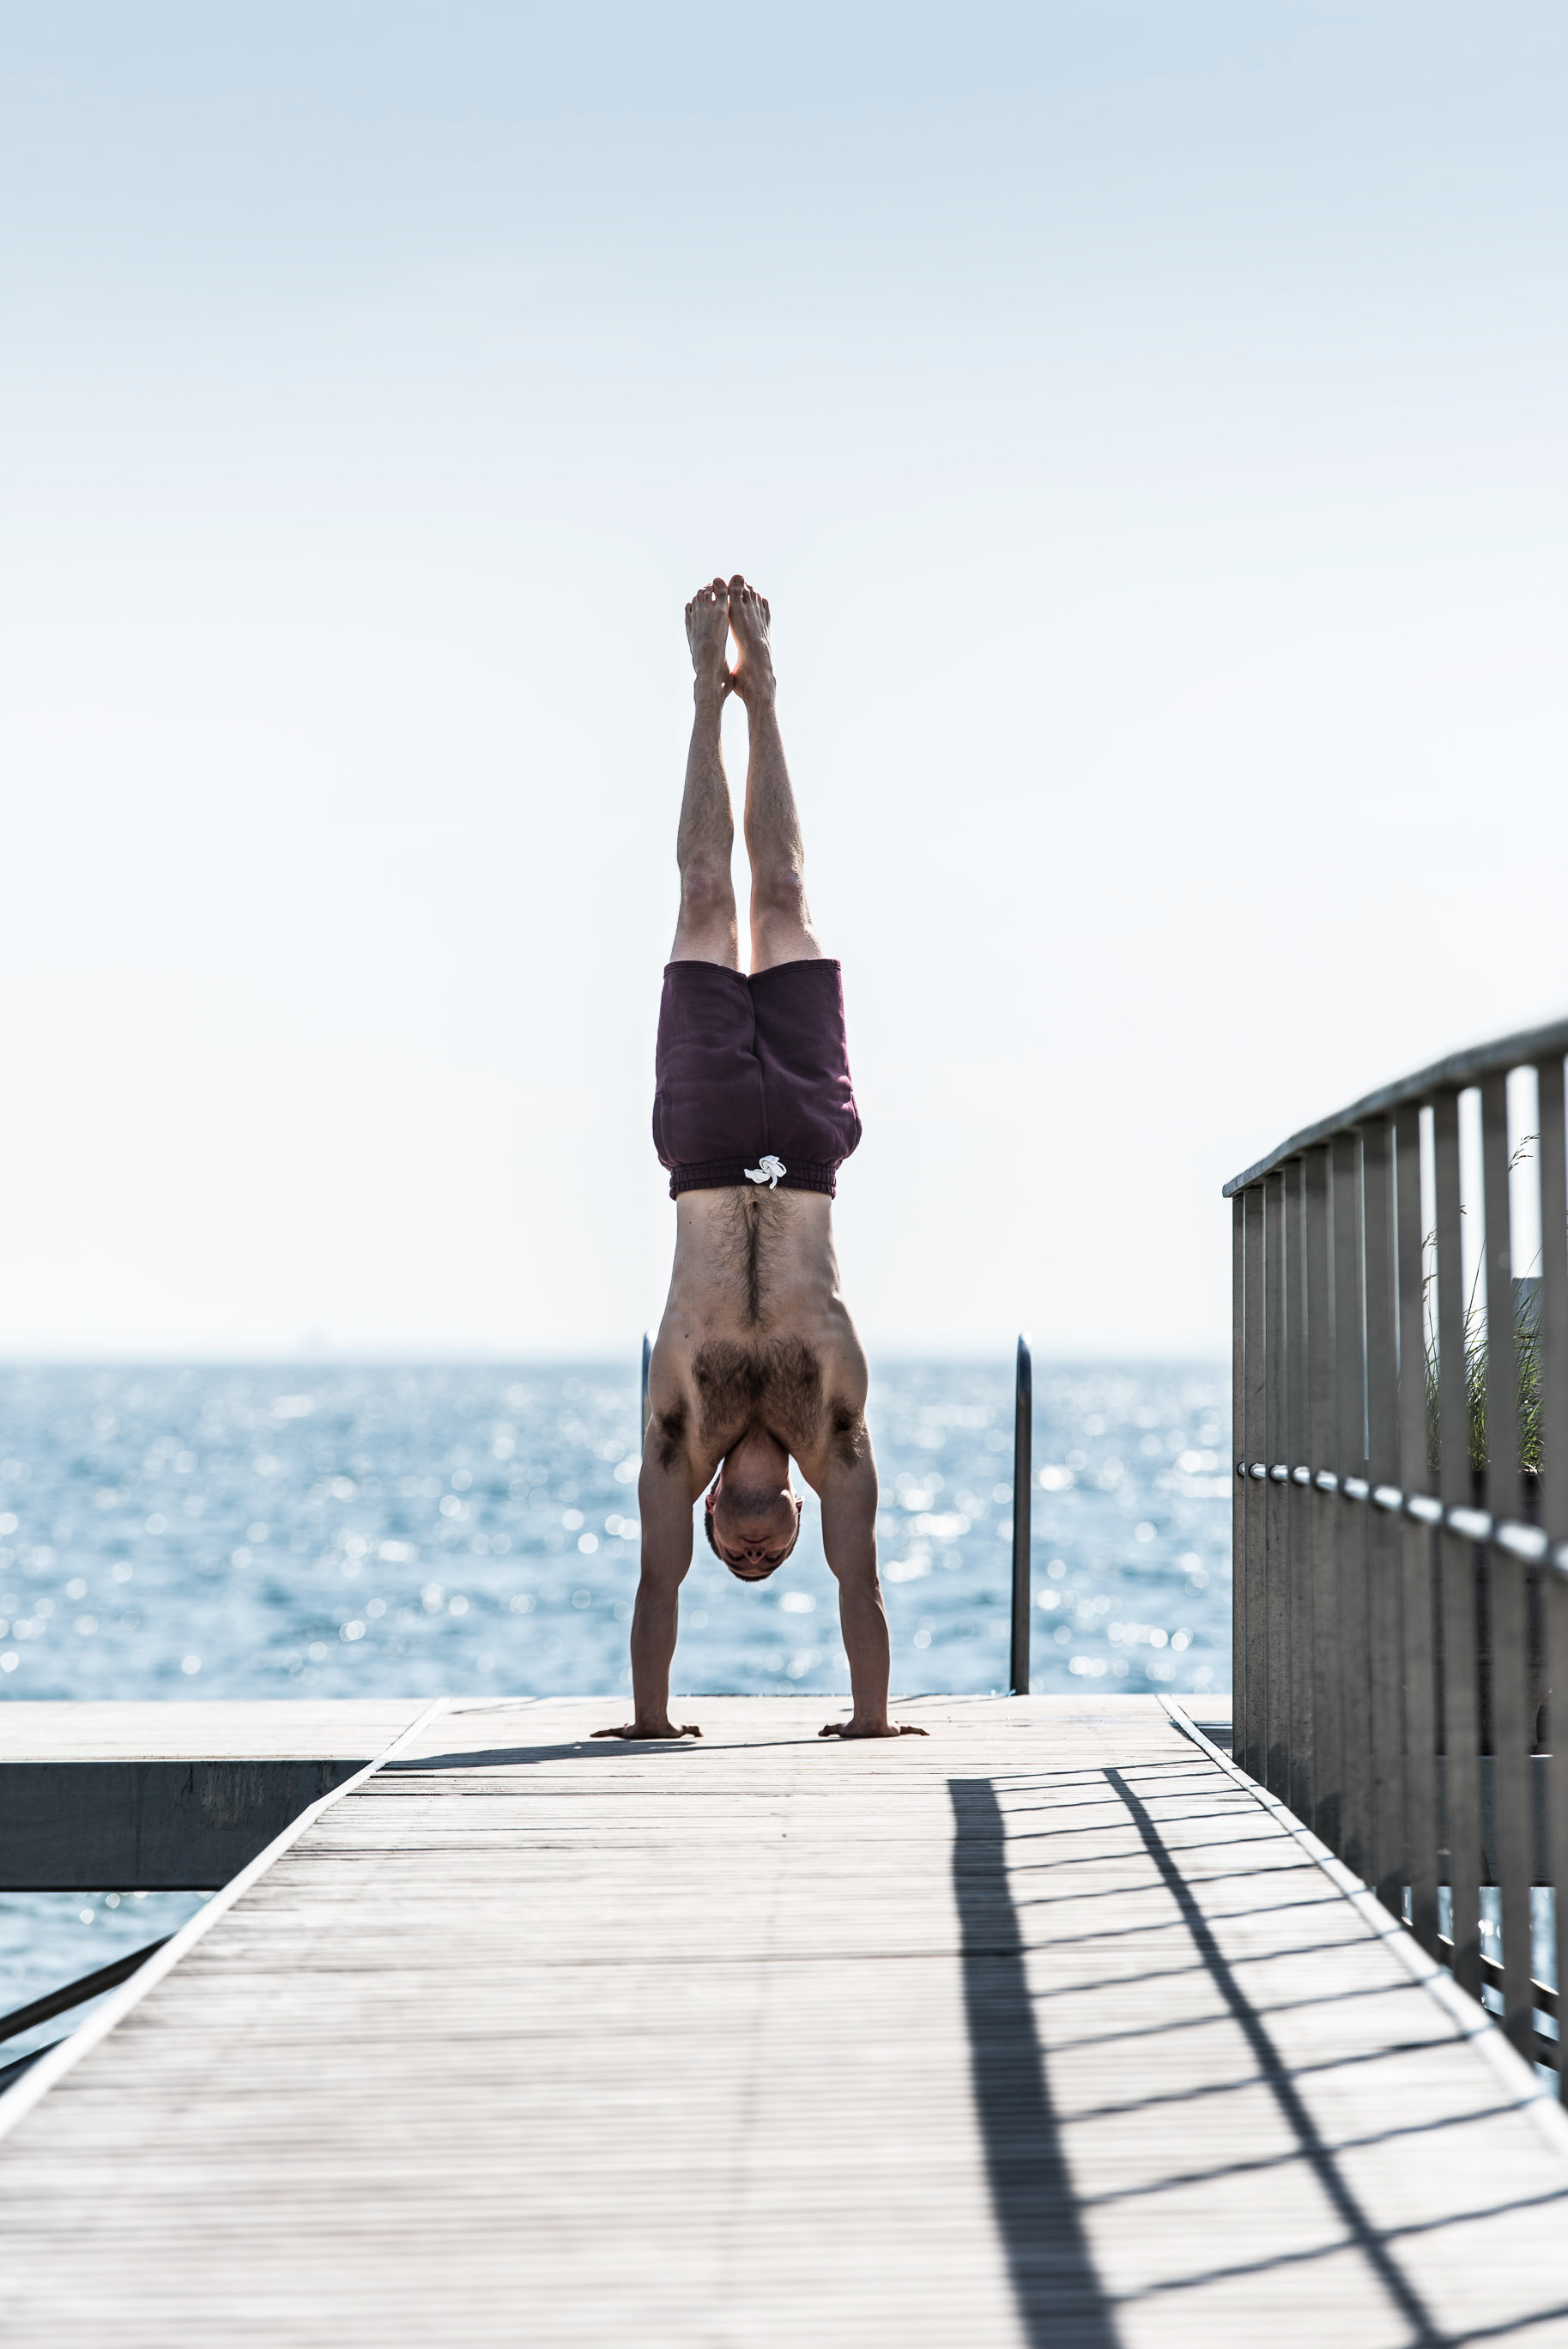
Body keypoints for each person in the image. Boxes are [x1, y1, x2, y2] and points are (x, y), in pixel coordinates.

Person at [595, 575, 926, 1743]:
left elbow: (651, 1582)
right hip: (807, 1142)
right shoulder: (831, 1425)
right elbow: (865, 1582)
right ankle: (764, 693)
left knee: (700, 897)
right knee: (782, 897)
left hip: (699, 1142)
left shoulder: (679, 1433)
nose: (744, 1546)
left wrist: (650, 1720)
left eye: (732, 1550)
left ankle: (705, 693)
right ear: (793, 1510)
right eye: (765, 1547)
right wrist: (873, 1722)